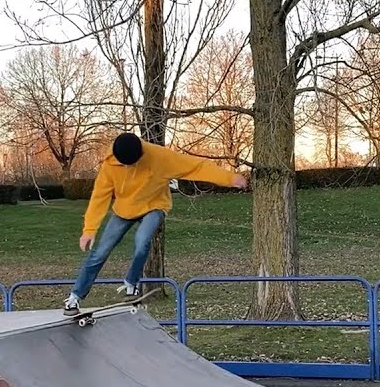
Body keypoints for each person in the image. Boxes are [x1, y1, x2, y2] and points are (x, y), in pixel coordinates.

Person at [64, 132, 248, 315]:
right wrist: (89, 230)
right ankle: (75, 297)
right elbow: (99, 198)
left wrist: (230, 178)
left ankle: (131, 284)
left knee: (142, 241)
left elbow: (197, 166)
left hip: (154, 206)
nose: (129, 167)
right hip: (124, 210)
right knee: (100, 253)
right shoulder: (110, 165)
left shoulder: (160, 157)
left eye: (133, 164)